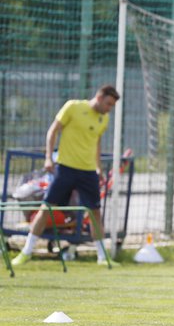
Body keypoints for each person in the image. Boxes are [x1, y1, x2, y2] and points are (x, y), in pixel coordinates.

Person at [11, 85, 120, 266]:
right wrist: (48, 158)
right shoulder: (73, 107)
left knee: (95, 213)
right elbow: (53, 131)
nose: (109, 109)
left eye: (112, 106)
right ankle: (26, 252)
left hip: (88, 172)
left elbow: (97, 142)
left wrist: (98, 168)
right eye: (108, 104)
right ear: (99, 97)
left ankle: (102, 257)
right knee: (46, 208)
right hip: (66, 169)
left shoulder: (104, 118)